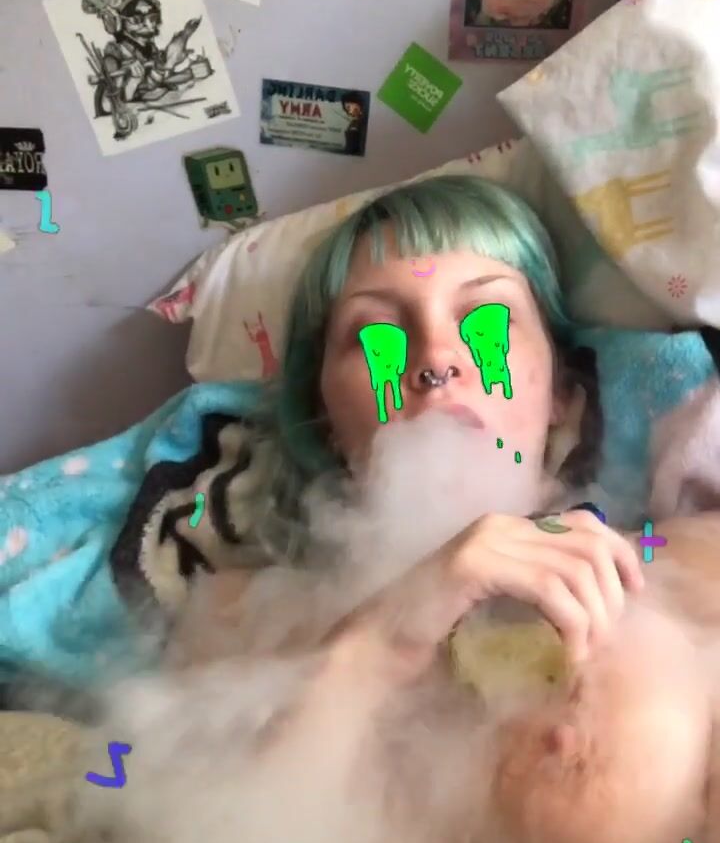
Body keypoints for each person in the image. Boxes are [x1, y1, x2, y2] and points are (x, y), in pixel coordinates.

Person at [177, 172, 643, 680]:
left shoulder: (674, 564)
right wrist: (387, 635)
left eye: (487, 321)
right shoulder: (235, 618)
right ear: (324, 414)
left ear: (561, 394)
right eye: (378, 338)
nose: (436, 360)